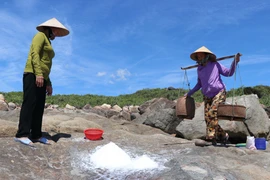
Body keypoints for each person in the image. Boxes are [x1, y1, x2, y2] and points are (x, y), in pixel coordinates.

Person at [14, 18, 69, 146]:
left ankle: (36, 135)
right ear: (48, 28)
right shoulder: (40, 36)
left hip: (42, 77)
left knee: (39, 106)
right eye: (54, 30)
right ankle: (22, 134)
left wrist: (48, 83)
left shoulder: (48, 41)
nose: (55, 33)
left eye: (57, 31)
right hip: (32, 74)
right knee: (30, 103)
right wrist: (38, 74)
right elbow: (35, 54)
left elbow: (46, 65)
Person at [186, 46, 240, 145]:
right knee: (208, 118)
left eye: (201, 56)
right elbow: (199, 84)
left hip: (219, 92)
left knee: (212, 113)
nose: (199, 58)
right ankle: (222, 135)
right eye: (198, 57)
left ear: (206, 56)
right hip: (207, 95)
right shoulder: (199, 69)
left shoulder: (215, 64)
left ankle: (210, 138)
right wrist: (189, 94)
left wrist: (235, 62)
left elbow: (229, 73)